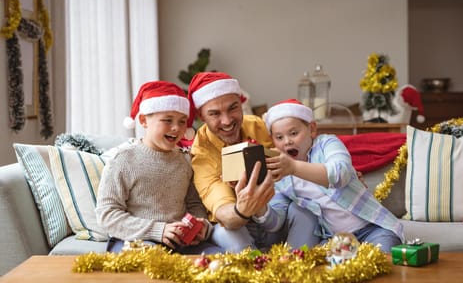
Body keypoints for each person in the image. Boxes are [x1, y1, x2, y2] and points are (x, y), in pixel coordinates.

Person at [187, 72, 320, 252]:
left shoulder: (257, 125)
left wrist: (338, 172)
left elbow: (302, 148)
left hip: (277, 212)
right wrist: (243, 208)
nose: (227, 121)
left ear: (241, 103)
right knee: (229, 234)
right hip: (236, 225)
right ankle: (257, 272)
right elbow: (226, 215)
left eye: (233, 108)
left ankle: (294, 266)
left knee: (307, 213)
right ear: (202, 117)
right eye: (214, 114)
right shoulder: (201, 154)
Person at [258, 99, 404, 253]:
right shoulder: (281, 177)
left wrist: (293, 167)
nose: (287, 141)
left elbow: (341, 174)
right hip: (336, 240)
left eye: (294, 133)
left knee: (381, 262)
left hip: (373, 229)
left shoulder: (326, 143)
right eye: (279, 137)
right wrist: (258, 205)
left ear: (312, 129)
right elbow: (275, 222)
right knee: (318, 268)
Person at [96, 81, 222, 254]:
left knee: (220, 258)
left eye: (182, 121)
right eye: (167, 120)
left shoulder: (186, 160)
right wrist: (159, 230)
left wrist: (200, 226)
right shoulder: (123, 160)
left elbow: (194, 204)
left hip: (181, 241)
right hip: (135, 240)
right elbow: (107, 215)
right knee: (155, 261)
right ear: (143, 120)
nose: (176, 128)